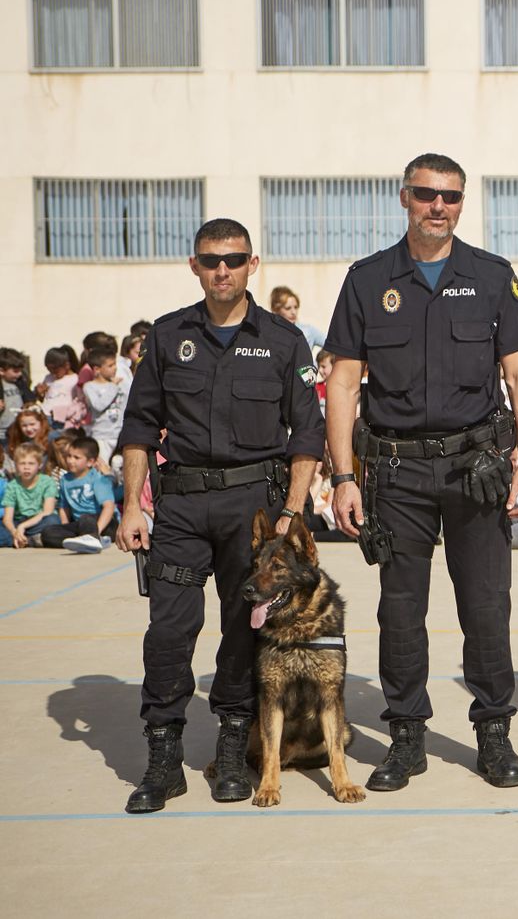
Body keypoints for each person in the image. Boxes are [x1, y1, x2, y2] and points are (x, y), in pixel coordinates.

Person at [324, 152, 518, 794]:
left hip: (477, 468)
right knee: (400, 611)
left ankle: (494, 732)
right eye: (426, 194)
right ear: (404, 198)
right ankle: (407, 737)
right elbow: (342, 382)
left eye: (450, 196)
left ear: (461, 203)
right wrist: (343, 476)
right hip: (396, 475)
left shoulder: (492, 274)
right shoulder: (367, 281)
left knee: (485, 608)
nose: (438, 206)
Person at [114, 217, 325, 814]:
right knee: (169, 631)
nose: (222, 270)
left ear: (252, 264)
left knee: (243, 629)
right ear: (195, 265)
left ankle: (233, 749)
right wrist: (133, 505)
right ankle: (163, 757)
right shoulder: (166, 335)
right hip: (179, 507)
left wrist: (289, 513)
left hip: (254, 511)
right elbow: (138, 427)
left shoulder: (284, 340)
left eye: (233, 259)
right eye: (211, 260)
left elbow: (306, 435)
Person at [41, 435, 120, 552]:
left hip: (105, 524)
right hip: (79, 525)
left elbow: (108, 507)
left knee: (86, 518)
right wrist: (65, 526)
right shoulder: (65, 480)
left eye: (76, 458)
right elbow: (64, 506)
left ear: (90, 462)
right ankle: (87, 540)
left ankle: (93, 538)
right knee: (47, 533)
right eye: (69, 456)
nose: (70, 460)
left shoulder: (98, 479)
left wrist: (95, 531)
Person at [1, 441, 60, 548]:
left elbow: (47, 511)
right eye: (22, 463)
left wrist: (23, 527)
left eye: (31, 463)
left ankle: (27, 540)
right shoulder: (12, 485)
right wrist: (15, 532)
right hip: (19, 521)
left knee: (53, 520)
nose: (26, 467)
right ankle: (24, 540)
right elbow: (7, 518)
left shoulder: (47, 482)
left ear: (40, 465)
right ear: (16, 465)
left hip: (39, 521)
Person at [81, 346, 132, 465]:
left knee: (119, 466)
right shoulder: (90, 387)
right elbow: (99, 405)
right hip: (101, 436)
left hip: (120, 434)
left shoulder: (119, 383)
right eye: (110, 366)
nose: (115, 368)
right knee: (101, 468)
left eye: (115, 364)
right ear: (97, 369)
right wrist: (113, 387)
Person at [269, 285, 326, 353]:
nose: (293, 312)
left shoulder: (307, 331)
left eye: (296, 307)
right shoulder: (268, 332)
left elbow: (334, 346)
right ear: (275, 310)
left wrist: (322, 360)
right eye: (288, 308)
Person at [0, 347, 28, 436]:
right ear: (1, 371)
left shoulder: (20, 383)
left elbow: (28, 398)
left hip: (19, 429)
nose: (19, 374)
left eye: (20, 370)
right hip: (2, 431)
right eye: (15, 371)